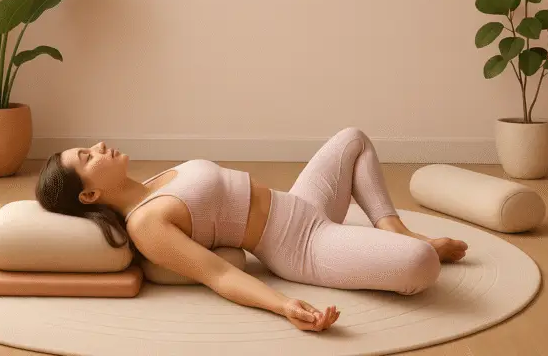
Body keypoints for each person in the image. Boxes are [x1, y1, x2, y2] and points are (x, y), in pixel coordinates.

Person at [36, 127, 468, 332]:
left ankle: (394, 227)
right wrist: (284, 306)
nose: (98, 147)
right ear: (89, 196)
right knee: (422, 264)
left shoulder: (155, 181)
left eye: (88, 147)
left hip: (300, 201)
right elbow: (219, 274)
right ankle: (409, 247)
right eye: (87, 158)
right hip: (304, 244)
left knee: (353, 138)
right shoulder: (147, 223)